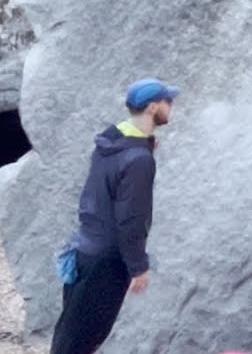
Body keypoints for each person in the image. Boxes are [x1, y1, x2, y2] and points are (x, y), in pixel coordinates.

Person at [51, 77, 179, 354]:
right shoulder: (139, 160)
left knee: (71, 334)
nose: (171, 106)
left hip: (84, 251)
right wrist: (138, 267)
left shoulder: (110, 143)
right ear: (152, 107)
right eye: (168, 101)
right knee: (82, 342)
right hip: (106, 263)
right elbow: (131, 219)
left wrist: (145, 145)